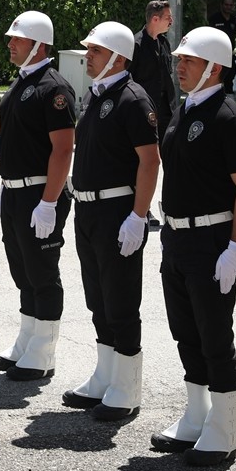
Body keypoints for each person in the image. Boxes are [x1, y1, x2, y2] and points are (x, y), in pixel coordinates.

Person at [151, 26, 236, 467]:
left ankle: (224, 429)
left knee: (215, 335)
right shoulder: (184, 109)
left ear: (214, 68)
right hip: (177, 238)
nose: (179, 66)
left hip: (211, 240)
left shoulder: (230, 119)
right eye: (178, 60)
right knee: (186, 332)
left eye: (188, 61)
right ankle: (197, 415)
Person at [61, 22, 160, 417]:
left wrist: (138, 215)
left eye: (97, 51)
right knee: (97, 299)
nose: (89, 56)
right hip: (87, 209)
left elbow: (150, 162)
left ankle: (127, 385)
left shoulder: (133, 99)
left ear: (118, 57)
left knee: (120, 301)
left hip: (117, 211)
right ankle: (105, 375)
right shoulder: (95, 95)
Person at [0, 11, 75, 380]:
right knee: (23, 272)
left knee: (42, 273)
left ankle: (44, 351)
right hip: (16, 193)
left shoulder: (54, 89)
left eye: (17, 40)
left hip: (41, 193)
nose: (9, 44)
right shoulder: (24, 82)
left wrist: (49, 202)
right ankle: (26, 339)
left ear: (38, 45)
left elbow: (63, 150)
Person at [128, 0, 174, 227]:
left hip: (166, 113)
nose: (171, 21)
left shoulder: (164, 43)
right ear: (155, 19)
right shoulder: (135, 45)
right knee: (143, 163)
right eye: (168, 17)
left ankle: (171, 206)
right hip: (143, 115)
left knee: (171, 161)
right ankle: (142, 209)